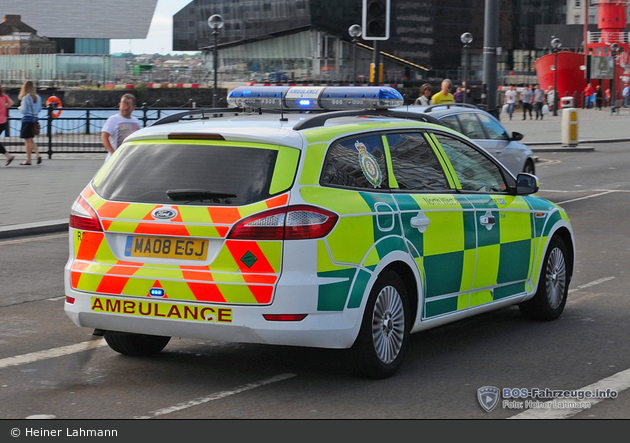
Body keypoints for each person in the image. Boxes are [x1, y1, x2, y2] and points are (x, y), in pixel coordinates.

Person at [101, 93, 141, 162]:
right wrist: (114, 153)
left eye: (128, 105)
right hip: (114, 160)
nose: (125, 108)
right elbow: (104, 137)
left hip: (130, 159)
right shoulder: (113, 119)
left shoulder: (136, 121)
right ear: (119, 105)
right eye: (123, 105)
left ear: (133, 107)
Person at [18, 80, 42, 166]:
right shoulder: (38, 97)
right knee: (31, 139)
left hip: (27, 120)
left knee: (27, 140)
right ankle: (37, 155)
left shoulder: (26, 98)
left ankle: (28, 160)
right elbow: (39, 109)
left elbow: (24, 110)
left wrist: (19, 108)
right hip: (35, 119)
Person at [0, 84, 15, 166]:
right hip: (3, 121)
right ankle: (8, 155)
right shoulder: (3, 96)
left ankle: (8, 155)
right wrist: (5, 106)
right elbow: (11, 102)